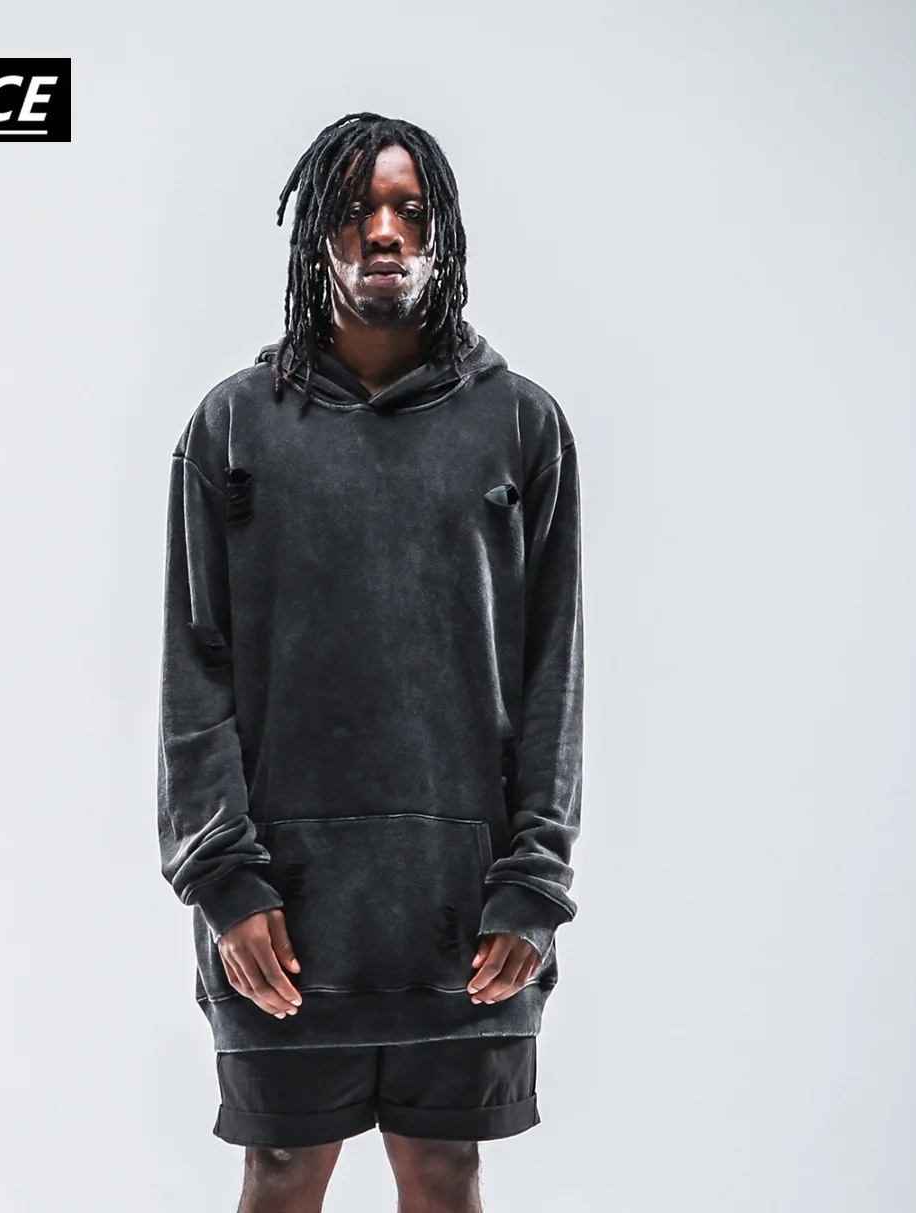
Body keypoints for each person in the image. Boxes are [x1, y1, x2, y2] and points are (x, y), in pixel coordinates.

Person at [157, 111, 585, 1211]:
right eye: (354, 211)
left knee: (444, 1172)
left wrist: (533, 882)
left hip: (464, 909)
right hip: (283, 913)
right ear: (316, 239)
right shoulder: (233, 428)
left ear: (444, 233)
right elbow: (192, 671)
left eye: (408, 209)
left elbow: (553, 673)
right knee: (281, 1171)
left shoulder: (522, 426)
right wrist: (224, 878)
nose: (383, 232)